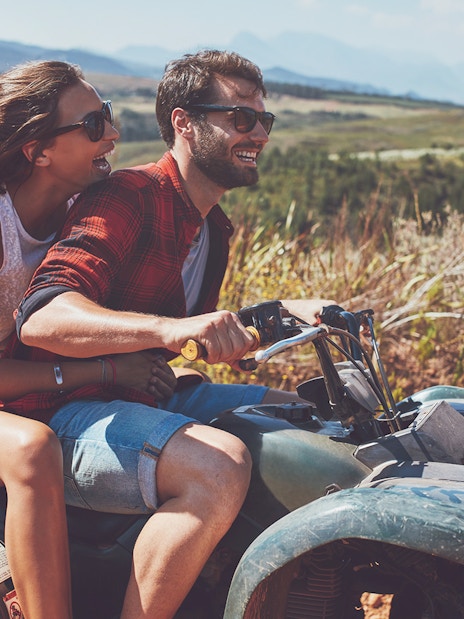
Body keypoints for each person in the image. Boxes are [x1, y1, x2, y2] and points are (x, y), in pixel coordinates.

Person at [9, 50, 333, 618]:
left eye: (264, 120)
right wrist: (161, 337)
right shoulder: (126, 196)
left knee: (303, 420)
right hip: (64, 407)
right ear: (184, 123)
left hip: (136, 392)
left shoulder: (211, 230)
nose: (258, 132)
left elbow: (181, 342)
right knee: (218, 465)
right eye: (240, 118)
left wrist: (273, 318)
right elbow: (44, 314)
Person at [0, 60, 177, 618]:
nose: (114, 134)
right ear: (38, 150)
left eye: (111, 117)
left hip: (27, 387)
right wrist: (102, 372)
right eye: (94, 123)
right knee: (29, 450)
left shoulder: (82, 214)